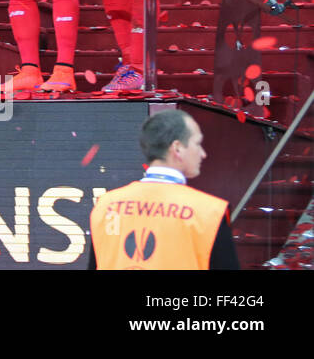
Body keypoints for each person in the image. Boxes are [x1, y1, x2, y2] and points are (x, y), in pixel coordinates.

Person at [89, 111, 239, 269]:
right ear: (178, 148)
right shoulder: (209, 211)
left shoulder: (105, 205)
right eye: (197, 144)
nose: (203, 154)